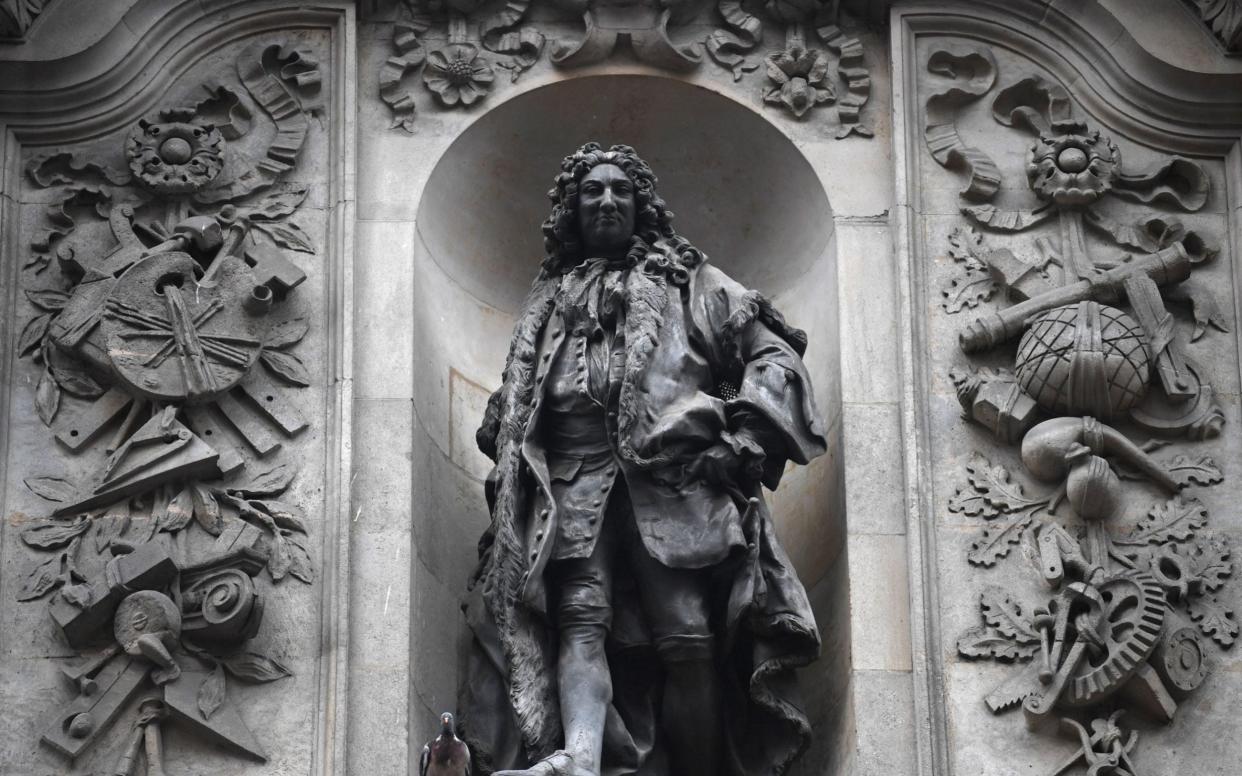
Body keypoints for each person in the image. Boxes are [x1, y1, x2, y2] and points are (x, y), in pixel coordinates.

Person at [460, 143, 828, 776]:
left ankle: (702, 767)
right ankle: (578, 757)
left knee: (687, 634)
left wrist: (749, 436)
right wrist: (508, 425)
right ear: (571, 213)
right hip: (570, 482)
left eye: (620, 191)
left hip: (675, 479)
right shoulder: (548, 301)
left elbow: (774, 355)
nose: (606, 200)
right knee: (579, 616)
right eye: (592, 192)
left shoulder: (691, 280)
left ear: (642, 206)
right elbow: (520, 400)